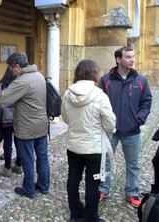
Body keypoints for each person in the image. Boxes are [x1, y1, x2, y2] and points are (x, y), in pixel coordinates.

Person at [62, 60, 116, 222]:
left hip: (74, 145)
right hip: (94, 148)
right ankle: (91, 216)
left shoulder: (68, 93)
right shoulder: (100, 95)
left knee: (73, 179)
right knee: (93, 183)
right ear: (95, 74)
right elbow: (109, 122)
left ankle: (75, 213)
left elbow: (65, 117)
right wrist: (107, 132)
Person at [99, 47, 152, 208]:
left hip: (132, 131)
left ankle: (132, 192)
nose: (132, 60)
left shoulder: (140, 81)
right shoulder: (106, 80)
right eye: (128, 57)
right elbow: (99, 103)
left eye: (133, 57)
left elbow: (146, 102)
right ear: (118, 60)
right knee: (106, 161)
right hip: (110, 130)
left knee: (133, 164)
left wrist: (139, 119)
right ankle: (103, 189)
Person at [0, 52, 49, 199]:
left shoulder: (22, 81)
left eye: (11, 68)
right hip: (42, 125)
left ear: (17, 67)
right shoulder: (39, 76)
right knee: (42, 157)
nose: (11, 71)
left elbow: (0, 101)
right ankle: (44, 186)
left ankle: (29, 189)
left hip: (26, 127)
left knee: (27, 159)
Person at [0, 67, 22, 177]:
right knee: (19, 142)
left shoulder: (3, 84)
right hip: (18, 116)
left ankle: (7, 168)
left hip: (6, 118)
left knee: (8, 143)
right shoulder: (20, 84)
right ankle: (19, 165)